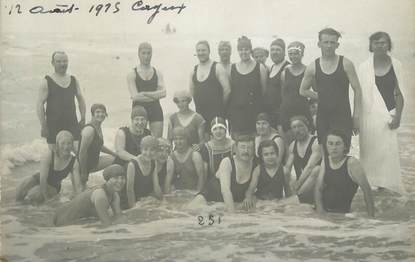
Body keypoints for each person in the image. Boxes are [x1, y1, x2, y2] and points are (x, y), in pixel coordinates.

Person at [358, 32, 405, 194]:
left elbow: (399, 93)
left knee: (387, 153)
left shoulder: (396, 64)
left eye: (383, 42)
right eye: (376, 43)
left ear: (388, 45)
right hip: (369, 116)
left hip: (389, 115)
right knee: (369, 152)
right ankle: (369, 187)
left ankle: (385, 188)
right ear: (371, 46)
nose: (380, 45)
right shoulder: (363, 67)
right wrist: (356, 118)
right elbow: (359, 95)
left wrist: (398, 116)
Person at [300, 28, 362, 147]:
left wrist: (356, 116)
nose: (329, 46)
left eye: (332, 42)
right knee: (325, 153)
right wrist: (322, 96)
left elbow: (357, 90)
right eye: (325, 42)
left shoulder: (346, 64)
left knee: (342, 152)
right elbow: (303, 90)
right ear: (319, 44)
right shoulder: (313, 67)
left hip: (343, 116)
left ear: (337, 45)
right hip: (323, 117)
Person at [314, 130, 375, 217]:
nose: (334, 147)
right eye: (330, 143)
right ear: (326, 146)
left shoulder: (352, 163)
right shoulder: (326, 160)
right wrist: (320, 211)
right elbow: (318, 188)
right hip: (322, 209)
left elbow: (367, 190)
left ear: (345, 146)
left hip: (340, 215)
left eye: (338, 144)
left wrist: (371, 218)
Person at [190, 135, 257, 212]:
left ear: (254, 150)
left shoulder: (255, 166)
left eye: (250, 148)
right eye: (243, 147)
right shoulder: (227, 162)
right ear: (235, 149)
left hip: (231, 203)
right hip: (208, 200)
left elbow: (253, 190)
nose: (246, 151)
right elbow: (226, 191)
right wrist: (232, 215)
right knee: (190, 211)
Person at [37, 51, 86, 149]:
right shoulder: (47, 81)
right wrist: (43, 125)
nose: (62, 64)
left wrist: (83, 117)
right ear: (53, 63)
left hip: (72, 122)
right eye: (59, 61)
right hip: (53, 124)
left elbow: (80, 99)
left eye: (65, 61)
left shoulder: (73, 80)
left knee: (76, 151)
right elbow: (40, 105)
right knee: (55, 154)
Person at [16, 131, 80, 204]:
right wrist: (46, 199)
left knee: (33, 195)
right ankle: (15, 209)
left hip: (53, 186)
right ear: (57, 144)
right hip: (39, 178)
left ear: (72, 145)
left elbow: (77, 185)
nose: (66, 147)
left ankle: (31, 212)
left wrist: (79, 198)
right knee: (22, 187)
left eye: (69, 143)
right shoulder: (49, 155)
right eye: (63, 143)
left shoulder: (74, 161)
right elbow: (43, 180)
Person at [53, 164, 126, 226]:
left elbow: (118, 216)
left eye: (122, 178)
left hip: (75, 217)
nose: (120, 181)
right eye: (115, 178)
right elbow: (106, 224)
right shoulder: (101, 196)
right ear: (108, 179)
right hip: (63, 219)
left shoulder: (114, 195)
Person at [227, 36, 268, 136]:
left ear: (250, 51)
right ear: (238, 51)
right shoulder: (232, 68)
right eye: (241, 50)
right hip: (237, 117)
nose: (244, 52)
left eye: (246, 49)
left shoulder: (260, 68)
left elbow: (264, 91)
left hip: (255, 116)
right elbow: (230, 92)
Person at [189, 40, 231, 136]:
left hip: (217, 114)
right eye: (198, 51)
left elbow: (227, 90)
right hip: (200, 114)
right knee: (204, 142)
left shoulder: (217, 67)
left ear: (209, 51)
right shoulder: (194, 70)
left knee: (218, 141)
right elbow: (191, 94)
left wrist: (220, 106)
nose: (201, 53)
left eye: (203, 50)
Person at [127, 42, 166, 137]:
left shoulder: (157, 73)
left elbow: (164, 93)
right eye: (143, 53)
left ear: (151, 54)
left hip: (155, 109)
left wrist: (144, 93)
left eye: (149, 53)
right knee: (139, 141)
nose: (146, 56)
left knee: (157, 141)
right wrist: (155, 96)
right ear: (138, 54)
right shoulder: (132, 73)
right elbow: (135, 97)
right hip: (139, 109)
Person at [77, 104, 117, 191]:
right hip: (81, 165)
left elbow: (99, 145)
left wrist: (114, 153)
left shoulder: (98, 127)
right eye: (97, 112)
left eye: (103, 112)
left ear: (105, 114)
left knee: (116, 159)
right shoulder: (89, 130)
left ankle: (111, 186)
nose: (100, 114)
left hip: (93, 162)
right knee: (80, 194)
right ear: (92, 114)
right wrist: (84, 172)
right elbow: (81, 153)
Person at [280, 42, 313, 142]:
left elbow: (315, 92)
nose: (293, 56)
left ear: (302, 54)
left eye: (296, 53)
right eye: (291, 54)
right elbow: (283, 94)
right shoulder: (285, 72)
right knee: (289, 144)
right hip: (287, 113)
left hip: (302, 111)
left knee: (305, 141)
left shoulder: (308, 71)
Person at [244, 140, 291, 209]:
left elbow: (288, 191)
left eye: (272, 153)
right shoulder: (258, 170)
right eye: (266, 154)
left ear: (277, 154)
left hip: (277, 202)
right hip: (261, 201)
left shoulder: (284, 171)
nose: (270, 157)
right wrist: (248, 198)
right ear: (262, 157)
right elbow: (251, 189)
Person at [284, 116, 321, 204]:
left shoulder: (316, 142)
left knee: (317, 170)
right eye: (294, 127)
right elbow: (287, 168)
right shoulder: (293, 145)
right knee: (284, 172)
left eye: (300, 126)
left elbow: (310, 167)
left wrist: (298, 184)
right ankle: (291, 198)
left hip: (316, 183)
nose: (297, 130)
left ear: (307, 126)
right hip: (302, 185)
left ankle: (295, 199)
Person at [125, 136, 163, 209]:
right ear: (141, 149)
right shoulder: (132, 164)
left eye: (152, 150)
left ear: (156, 151)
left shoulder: (153, 162)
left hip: (143, 199)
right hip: (129, 200)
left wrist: (163, 202)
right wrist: (133, 208)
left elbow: (156, 186)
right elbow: (129, 190)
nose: (148, 153)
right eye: (145, 149)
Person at [165, 127, 205, 192]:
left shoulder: (195, 155)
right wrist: (167, 195)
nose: (178, 142)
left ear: (187, 139)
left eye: (181, 139)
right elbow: (168, 179)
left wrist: (197, 193)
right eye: (176, 139)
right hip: (178, 192)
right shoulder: (172, 157)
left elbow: (201, 177)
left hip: (193, 191)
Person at [263, 39, 290, 130]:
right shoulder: (272, 68)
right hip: (270, 115)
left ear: (284, 52)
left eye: (278, 50)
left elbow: (287, 95)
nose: (275, 52)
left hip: (280, 116)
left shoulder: (287, 68)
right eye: (272, 50)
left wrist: (281, 118)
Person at [199, 117, 234, 181]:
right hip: (214, 183)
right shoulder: (206, 148)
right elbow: (205, 170)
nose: (218, 131)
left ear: (225, 130)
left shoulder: (233, 145)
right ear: (212, 132)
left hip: (232, 181)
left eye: (221, 128)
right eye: (215, 129)